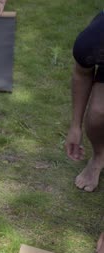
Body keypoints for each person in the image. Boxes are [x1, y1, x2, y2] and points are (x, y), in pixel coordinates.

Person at [65, 11, 104, 192]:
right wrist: (75, 127)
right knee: (97, 114)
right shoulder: (92, 41)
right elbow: (82, 74)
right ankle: (99, 157)